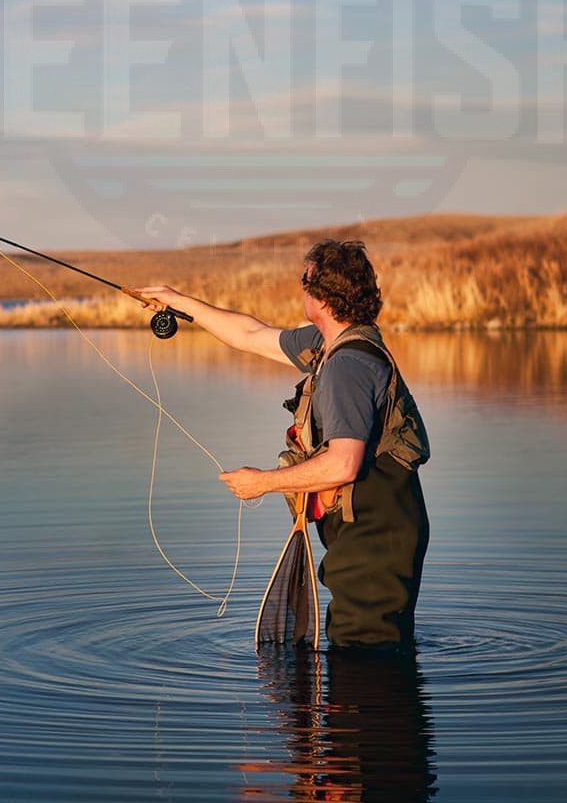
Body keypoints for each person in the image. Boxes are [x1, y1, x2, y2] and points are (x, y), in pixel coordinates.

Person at [135, 239, 430, 651]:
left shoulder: (347, 366)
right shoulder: (329, 344)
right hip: (369, 527)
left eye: (304, 282)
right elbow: (251, 334)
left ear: (323, 297)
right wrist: (180, 302)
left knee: (365, 651)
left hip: (377, 532)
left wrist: (263, 482)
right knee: (367, 648)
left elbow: (344, 463)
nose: (301, 290)